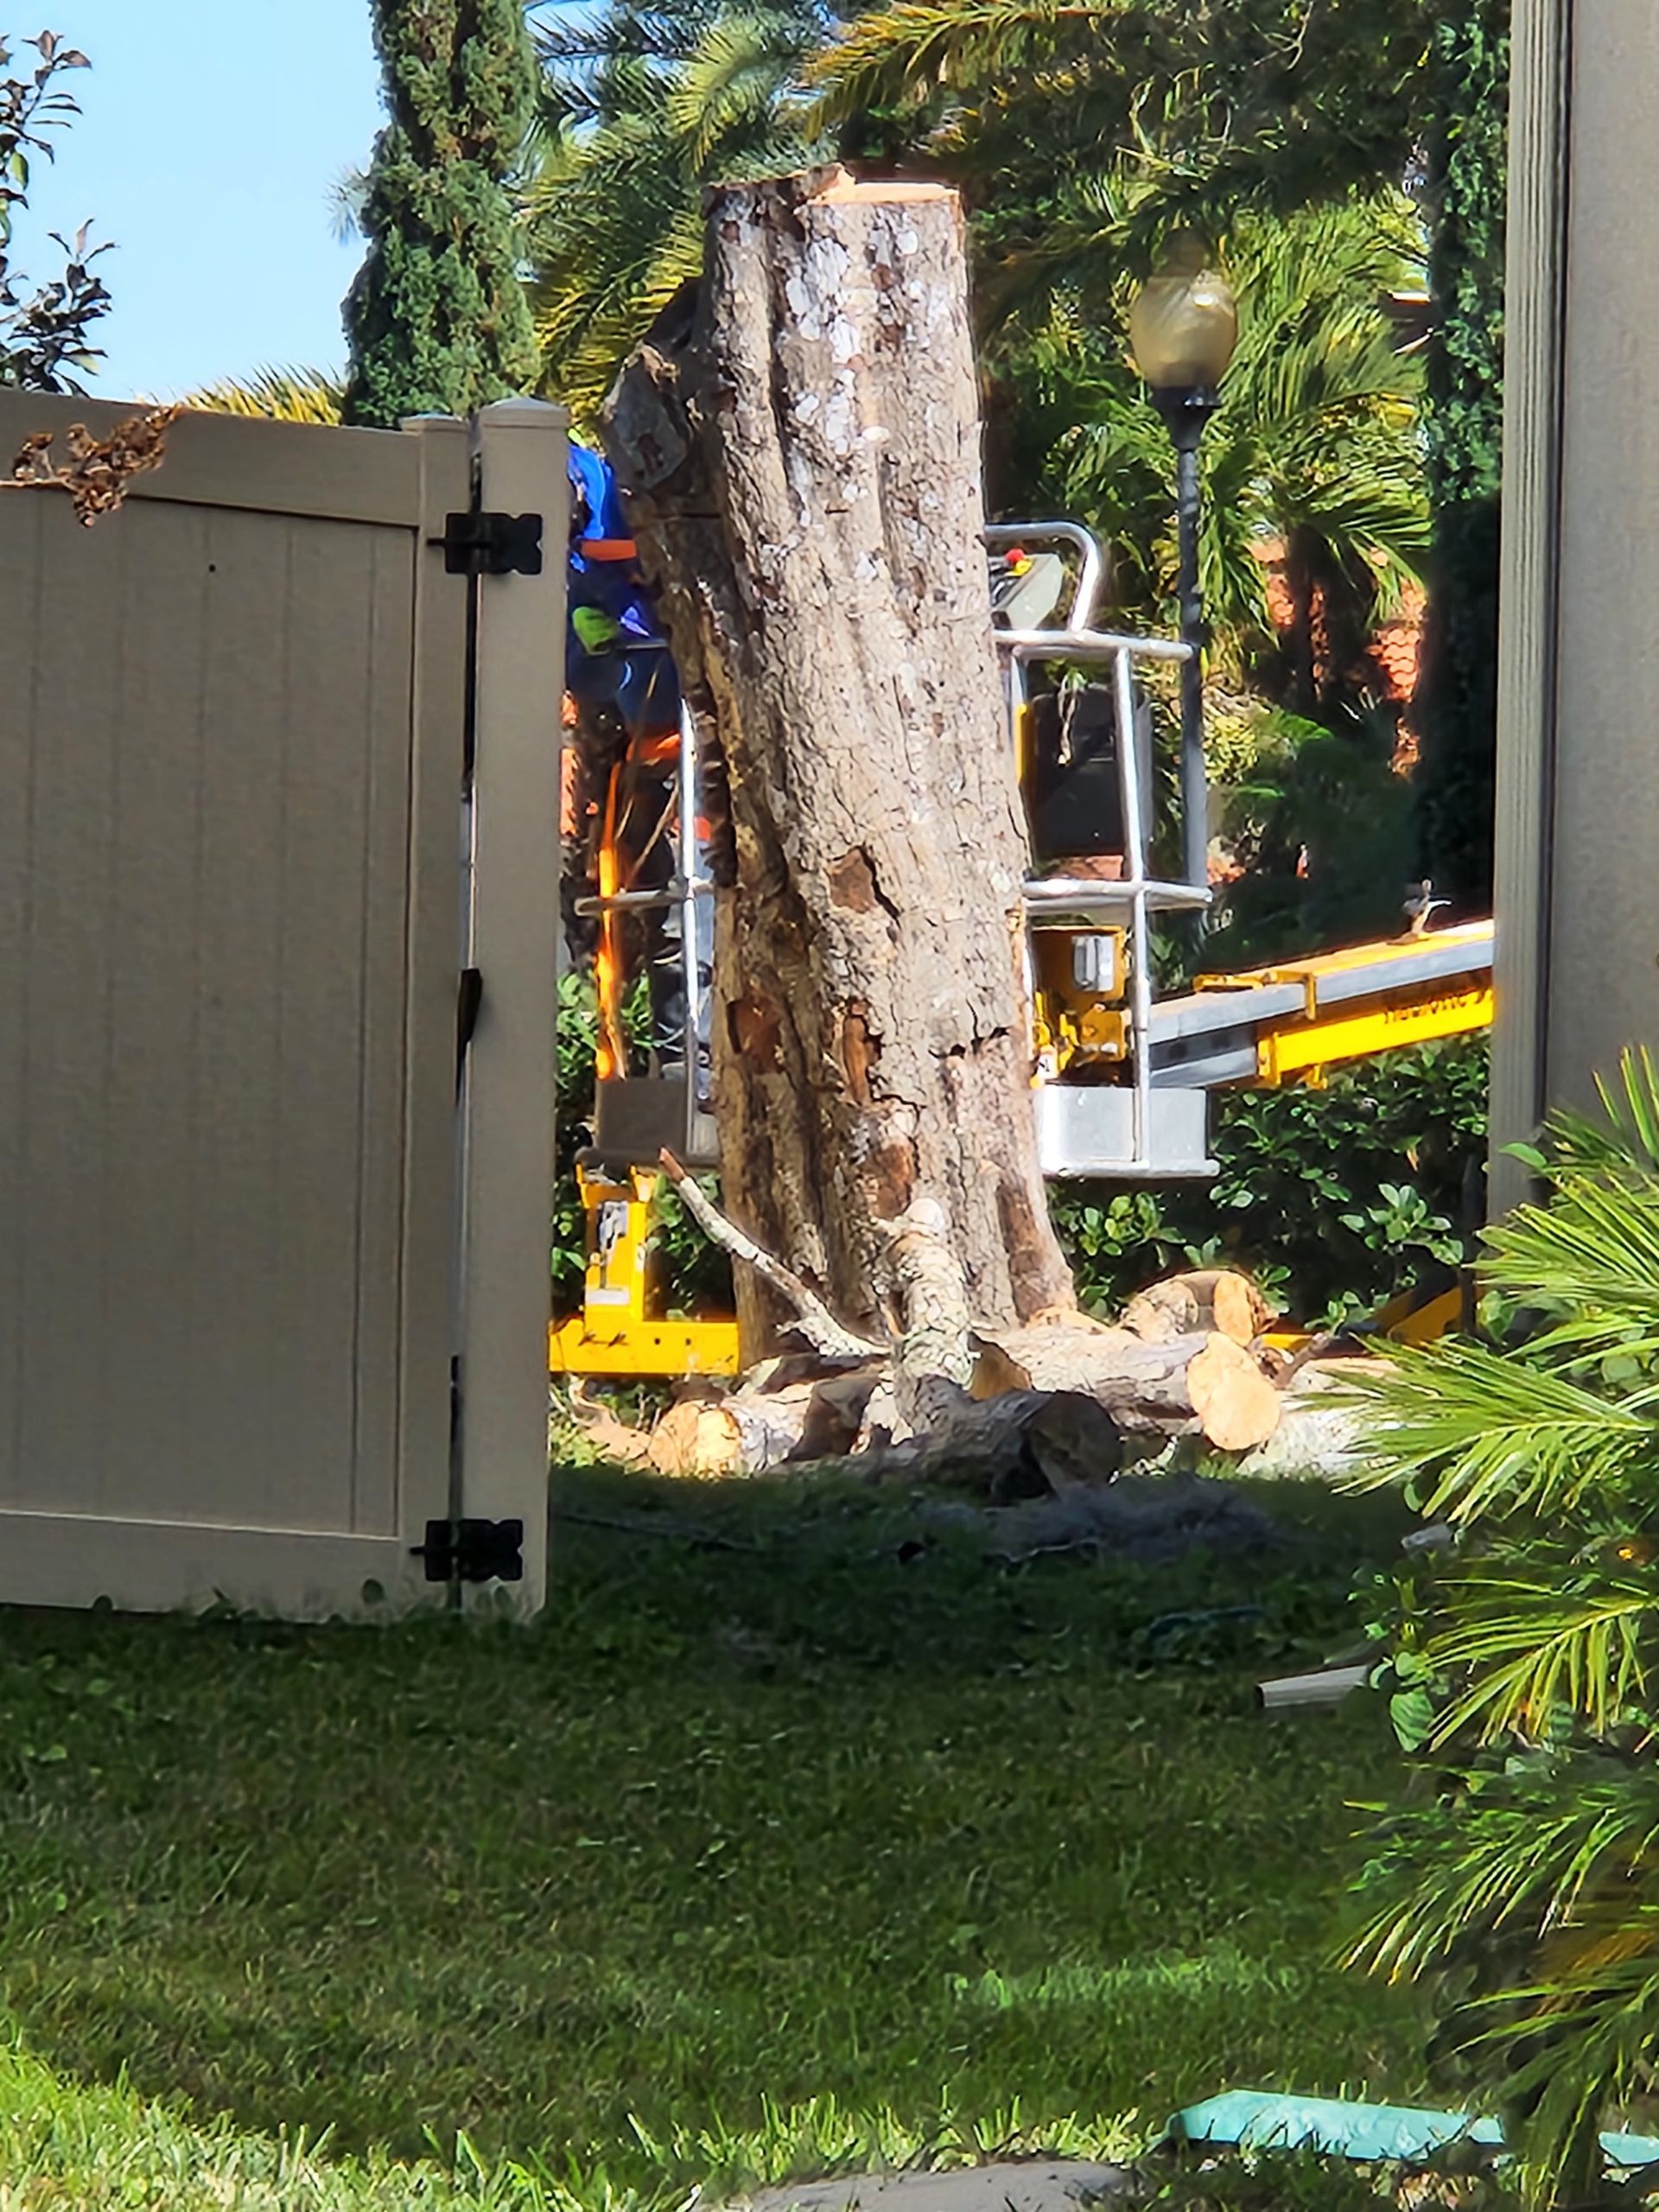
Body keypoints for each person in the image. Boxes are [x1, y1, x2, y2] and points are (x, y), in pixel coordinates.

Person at [564, 443, 713, 1102]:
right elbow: (581, 667)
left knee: (693, 908)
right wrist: (588, 639)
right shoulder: (566, 545)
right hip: (650, 749)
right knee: (658, 912)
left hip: (705, 746)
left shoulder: (628, 501)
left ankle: (695, 1066)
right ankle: (678, 1065)